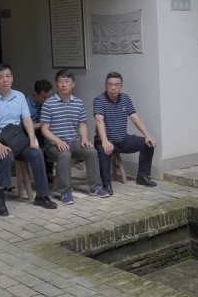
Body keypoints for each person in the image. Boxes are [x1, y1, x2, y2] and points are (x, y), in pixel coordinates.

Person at [0, 64, 57, 216]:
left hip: (17, 142)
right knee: (6, 155)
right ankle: (0, 200)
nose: (5, 80)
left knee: (37, 154)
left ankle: (42, 196)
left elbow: (27, 120)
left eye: (8, 76)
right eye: (1, 77)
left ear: (12, 78)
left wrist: (32, 141)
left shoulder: (19, 96)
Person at [41, 70, 107, 204]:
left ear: (73, 84)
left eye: (67, 81)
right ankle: (66, 192)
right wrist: (58, 141)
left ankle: (95, 187)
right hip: (53, 145)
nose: (63, 84)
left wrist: (84, 139)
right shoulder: (48, 103)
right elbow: (44, 129)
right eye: (60, 81)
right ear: (56, 84)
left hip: (74, 143)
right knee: (65, 154)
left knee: (91, 151)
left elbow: (82, 124)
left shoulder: (78, 102)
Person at [94, 72, 158, 194]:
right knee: (103, 151)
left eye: (117, 85)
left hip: (123, 140)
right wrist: (105, 141)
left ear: (121, 87)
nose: (113, 88)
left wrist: (147, 135)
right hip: (106, 140)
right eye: (110, 85)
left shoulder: (125, 99)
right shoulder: (99, 100)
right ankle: (106, 184)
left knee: (148, 144)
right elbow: (99, 120)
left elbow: (135, 118)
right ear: (105, 86)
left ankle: (142, 176)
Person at [26, 79, 53, 182]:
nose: (47, 100)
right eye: (43, 97)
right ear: (35, 94)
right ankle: (40, 174)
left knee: (50, 138)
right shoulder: (25, 103)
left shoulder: (50, 101)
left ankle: (48, 173)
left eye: (48, 96)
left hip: (44, 130)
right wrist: (44, 123)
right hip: (29, 132)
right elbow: (25, 126)